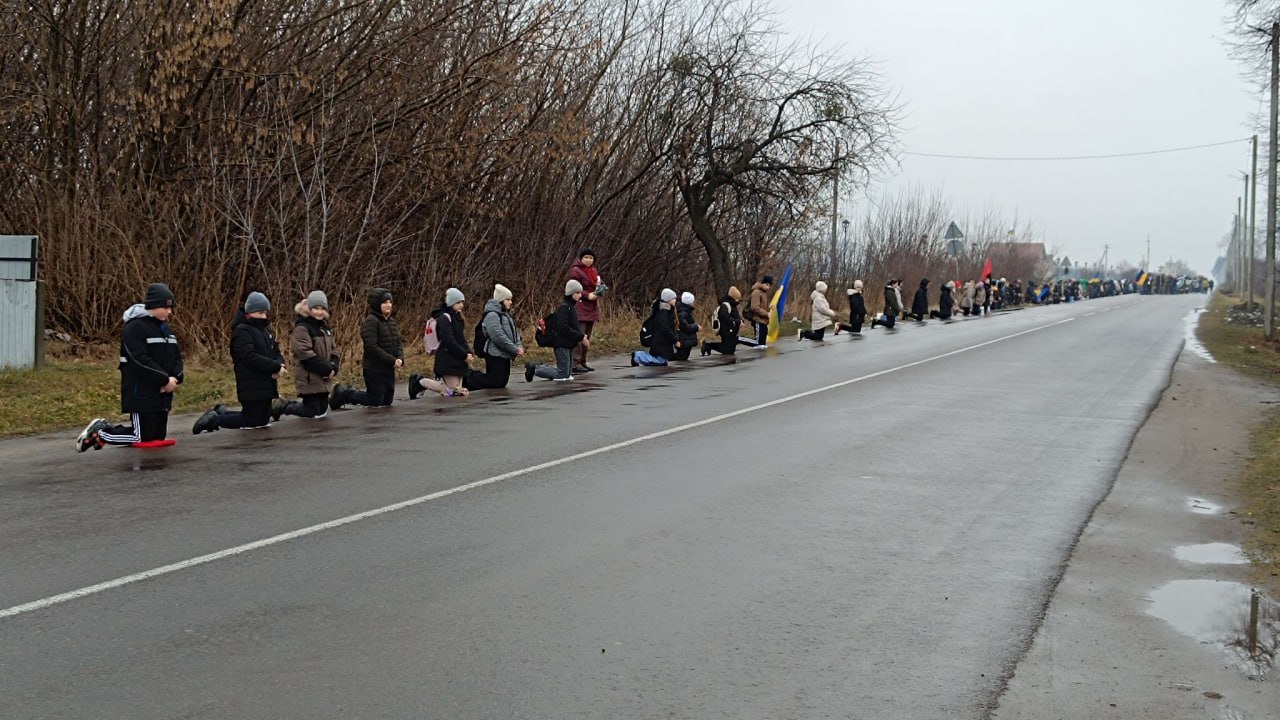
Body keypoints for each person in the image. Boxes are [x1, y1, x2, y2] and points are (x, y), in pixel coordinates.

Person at [77, 283, 184, 451]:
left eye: (170, 307)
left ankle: (106, 435)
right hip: (141, 391)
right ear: (153, 304)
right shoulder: (134, 328)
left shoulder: (166, 329)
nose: (169, 311)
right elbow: (139, 360)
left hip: (163, 394)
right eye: (165, 307)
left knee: (157, 436)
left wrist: (176, 378)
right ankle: (101, 432)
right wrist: (163, 379)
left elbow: (176, 357)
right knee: (141, 436)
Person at [193, 292, 285, 434]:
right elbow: (249, 356)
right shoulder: (242, 331)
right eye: (261, 312)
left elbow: (276, 350)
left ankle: (222, 412)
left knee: (262, 420)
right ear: (251, 312)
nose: (264, 316)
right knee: (251, 420)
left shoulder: (266, 332)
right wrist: (274, 366)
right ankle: (214, 420)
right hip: (250, 383)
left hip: (267, 383)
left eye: (265, 312)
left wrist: (280, 365)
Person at [330, 288, 404, 409]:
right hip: (374, 369)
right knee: (375, 400)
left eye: (390, 302)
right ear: (377, 304)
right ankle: (344, 395)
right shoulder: (371, 322)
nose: (388, 305)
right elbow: (371, 347)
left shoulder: (392, 322)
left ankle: (349, 392)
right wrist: (391, 360)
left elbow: (398, 342)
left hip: (389, 369)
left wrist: (400, 358)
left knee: (387, 401)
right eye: (385, 302)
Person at [273, 291, 338, 420]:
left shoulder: (325, 327)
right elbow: (305, 354)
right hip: (309, 376)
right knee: (311, 411)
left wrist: (334, 366)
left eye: (322, 308)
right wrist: (326, 369)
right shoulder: (302, 328)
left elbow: (334, 350)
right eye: (315, 308)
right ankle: (282, 406)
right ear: (309, 309)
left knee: (322, 411)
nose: (319, 312)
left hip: (324, 378)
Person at [452, 283, 523, 390]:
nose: (510, 302)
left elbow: (514, 333)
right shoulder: (492, 315)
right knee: (494, 381)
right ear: (501, 300)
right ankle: (467, 378)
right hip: (494, 353)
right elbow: (498, 336)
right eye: (507, 299)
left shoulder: (506, 315)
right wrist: (514, 349)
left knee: (501, 382)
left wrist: (518, 346)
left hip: (506, 354)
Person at [410, 288, 472, 398]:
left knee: (455, 392)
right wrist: (464, 355)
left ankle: (439, 390)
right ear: (451, 303)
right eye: (458, 302)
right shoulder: (444, 318)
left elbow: (461, 339)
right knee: (455, 392)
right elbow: (448, 340)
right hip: (448, 359)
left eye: (462, 302)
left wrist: (468, 352)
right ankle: (421, 382)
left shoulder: (458, 318)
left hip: (458, 359)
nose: (461, 305)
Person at [526, 280, 587, 381]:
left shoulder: (571, 307)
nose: (580, 295)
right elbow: (562, 327)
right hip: (562, 343)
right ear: (571, 293)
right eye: (577, 293)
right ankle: (536, 368)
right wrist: (579, 336)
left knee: (567, 374)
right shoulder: (564, 308)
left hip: (569, 344)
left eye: (580, 293)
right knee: (562, 374)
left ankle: (540, 367)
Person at [568, 249, 602, 374]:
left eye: (591, 258)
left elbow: (600, 284)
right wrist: (588, 295)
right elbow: (574, 288)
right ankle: (575, 363)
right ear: (581, 258)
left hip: (592, 307)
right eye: (586, 257)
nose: (589, 260)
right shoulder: (576, 271)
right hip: (580, 306)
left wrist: (600, 291)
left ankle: (583, 361)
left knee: (587, 336)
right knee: (579, 335)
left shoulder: (593, 271)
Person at [632, 289, 678, 366]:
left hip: (663, 341)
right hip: (660, 341)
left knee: (662, 361)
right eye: (673, 298)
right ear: (668, 300)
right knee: (660, 361)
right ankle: (638, 356)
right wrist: (675, 340)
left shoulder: (667, 311)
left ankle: (640, 357)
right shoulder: (663, 312)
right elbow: (665, 328)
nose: (675, 300)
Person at [701, 286, 743, 356]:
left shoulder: (732, 305)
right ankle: (708, 345)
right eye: (737, 298)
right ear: (733, 297)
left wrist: (740, 321)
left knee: (729, 349)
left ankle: (708, 346)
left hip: (731, 330)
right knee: (728, 350)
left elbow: (734, 316)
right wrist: (737, 322)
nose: (738, 300)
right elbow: (724, 317)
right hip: (726, 330)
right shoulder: (725, 305)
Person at [741, 275, 773, 348]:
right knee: (758, 343)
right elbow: (754, 307)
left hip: (764, 321)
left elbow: (763, 306)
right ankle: (739, 339)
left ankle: (759, 357)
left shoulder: (764, 293)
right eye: (766, 284)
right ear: (762, 283)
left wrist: (769, 308)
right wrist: (766, 314)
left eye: (769, 285)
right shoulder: (756, 292)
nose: (768, 287)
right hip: (758, 319)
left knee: (763, 344)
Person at [672, 291, 700, 360]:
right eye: (692, 301)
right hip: (684, 339)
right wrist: (696, 327)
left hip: (686, 339)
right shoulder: (683, 313)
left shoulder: (686, 311)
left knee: (683, 357)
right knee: (681, 357)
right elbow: (684, 326)